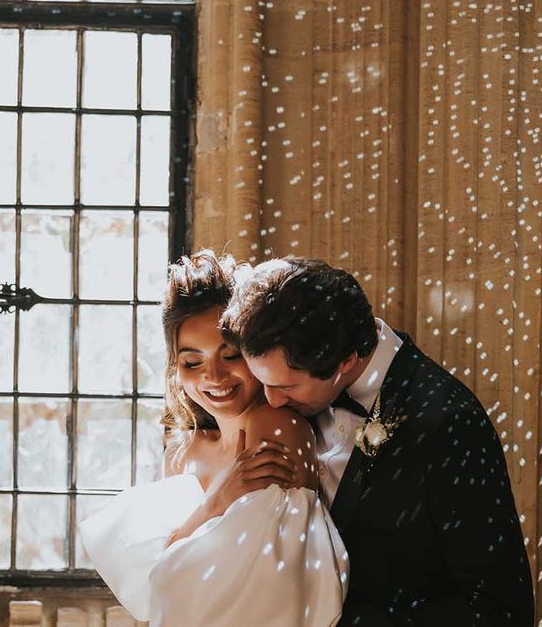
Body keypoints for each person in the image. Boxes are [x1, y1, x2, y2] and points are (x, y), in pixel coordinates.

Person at [221, 258, 534, 627]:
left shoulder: (448, 423)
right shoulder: (278, 395)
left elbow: (501, 609)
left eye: (286, 386)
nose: (271, 400)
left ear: (346, 360)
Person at [79, 250, 348, 627]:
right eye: (193, 362)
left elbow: (270, 593)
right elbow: (159, 586)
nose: (215, 377)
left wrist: (184, 540)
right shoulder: (180, 452)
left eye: (231, 356)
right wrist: (216, 501)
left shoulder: (275, 426)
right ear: (176, 368)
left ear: (255, 353)